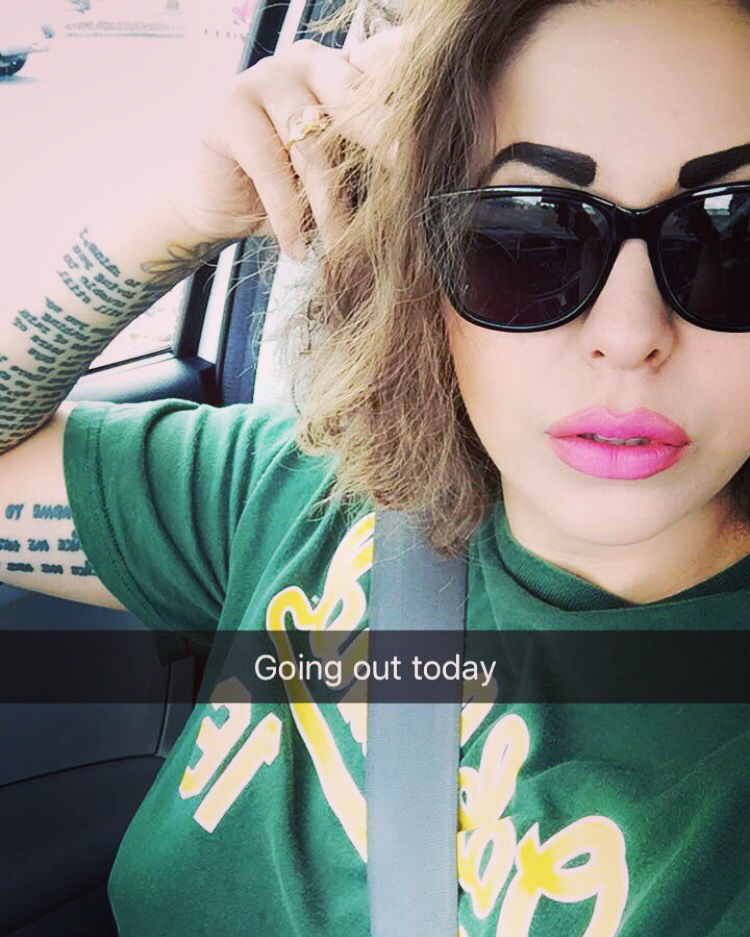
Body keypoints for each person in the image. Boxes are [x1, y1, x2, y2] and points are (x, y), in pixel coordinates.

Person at [1, 0, 749, 933]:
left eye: (735, 240)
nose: (631, 335)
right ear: (421, 274)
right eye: (528, 237)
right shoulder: (299, 493)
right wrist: (181, 215)